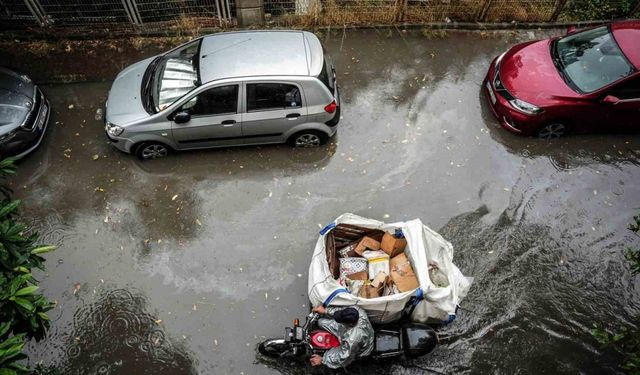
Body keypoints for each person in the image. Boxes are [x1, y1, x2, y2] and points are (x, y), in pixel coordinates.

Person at [309, 305, 374, 369]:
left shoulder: (353, 339)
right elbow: (341, 311)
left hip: (354, 343)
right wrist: (325, 311)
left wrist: (323, 360)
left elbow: (344, 357)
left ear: (348, 323)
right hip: (344, 329)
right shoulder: (357, 310)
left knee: (330, 354)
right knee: (321, 322)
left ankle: (325, 357)